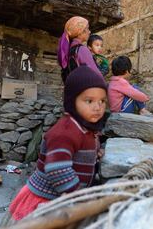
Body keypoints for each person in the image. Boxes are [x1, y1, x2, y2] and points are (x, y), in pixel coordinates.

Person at [9, 66, 107, 221]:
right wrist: (79, 198)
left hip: (61, 197)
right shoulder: (65, 131)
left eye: (102, 101)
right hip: (46, 200)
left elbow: (78, 152)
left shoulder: (85, 127)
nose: (97, 107)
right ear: (71, 101)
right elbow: (57, 170)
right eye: (89, 101)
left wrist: (96, 154)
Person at [57, 16, 104, 83]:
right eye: (87, 29)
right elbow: (96, 74)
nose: (89, 32)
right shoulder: (82, 50)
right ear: (80, 32)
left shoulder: (70, 50)